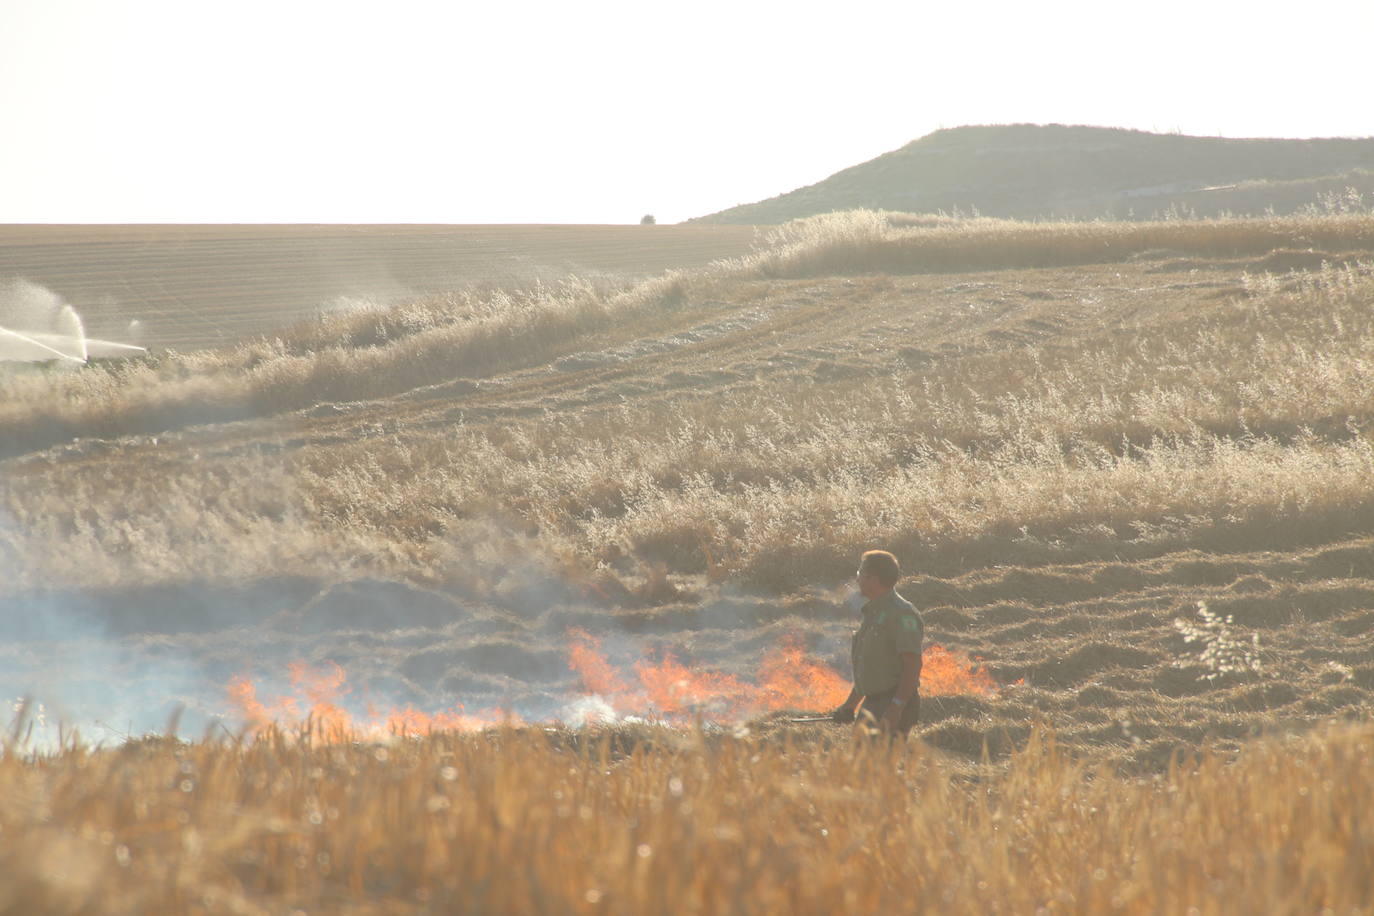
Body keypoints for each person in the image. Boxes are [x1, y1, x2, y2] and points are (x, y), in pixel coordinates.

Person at [831, 550, 923, 736]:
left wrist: (896, 707)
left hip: (890, 704)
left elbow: (912, 664)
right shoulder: (873, 613)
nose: (857, 580)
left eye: (860, 574)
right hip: (872, 704)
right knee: (860, 762)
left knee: (878, 763)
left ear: (873, 579)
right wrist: (849, 706)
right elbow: (871, 668)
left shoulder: (902, 614)